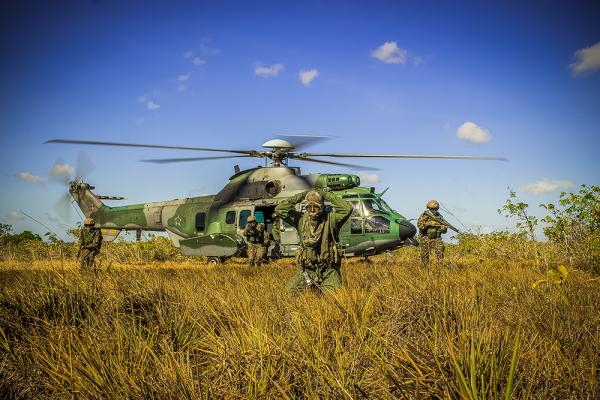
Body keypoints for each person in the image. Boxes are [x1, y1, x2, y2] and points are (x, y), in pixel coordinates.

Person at [275, 188, 352, 293]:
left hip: (329, 271)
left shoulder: (332, 219)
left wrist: (325, 194)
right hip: (307, 271)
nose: (312, 209)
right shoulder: (300, 220)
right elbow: (279, 209)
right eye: (309, 206)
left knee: (334, 300)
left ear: (322, 206)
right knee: (287, 294)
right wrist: (302, 195)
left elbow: (347, 209)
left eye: (316, 206)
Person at [417, 200, 447, 266]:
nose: (434, 210)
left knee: (440, 249)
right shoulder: (424, 215)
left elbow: (445, 230)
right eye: (432, 209)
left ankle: (440, 266)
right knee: (424, 255)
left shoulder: (439, 216)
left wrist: (443, 228)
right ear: (429, 208)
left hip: (436, 238)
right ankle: (425, 268)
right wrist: (429, 223)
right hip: (426, 238)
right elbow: (419, 225)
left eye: (435, 209)